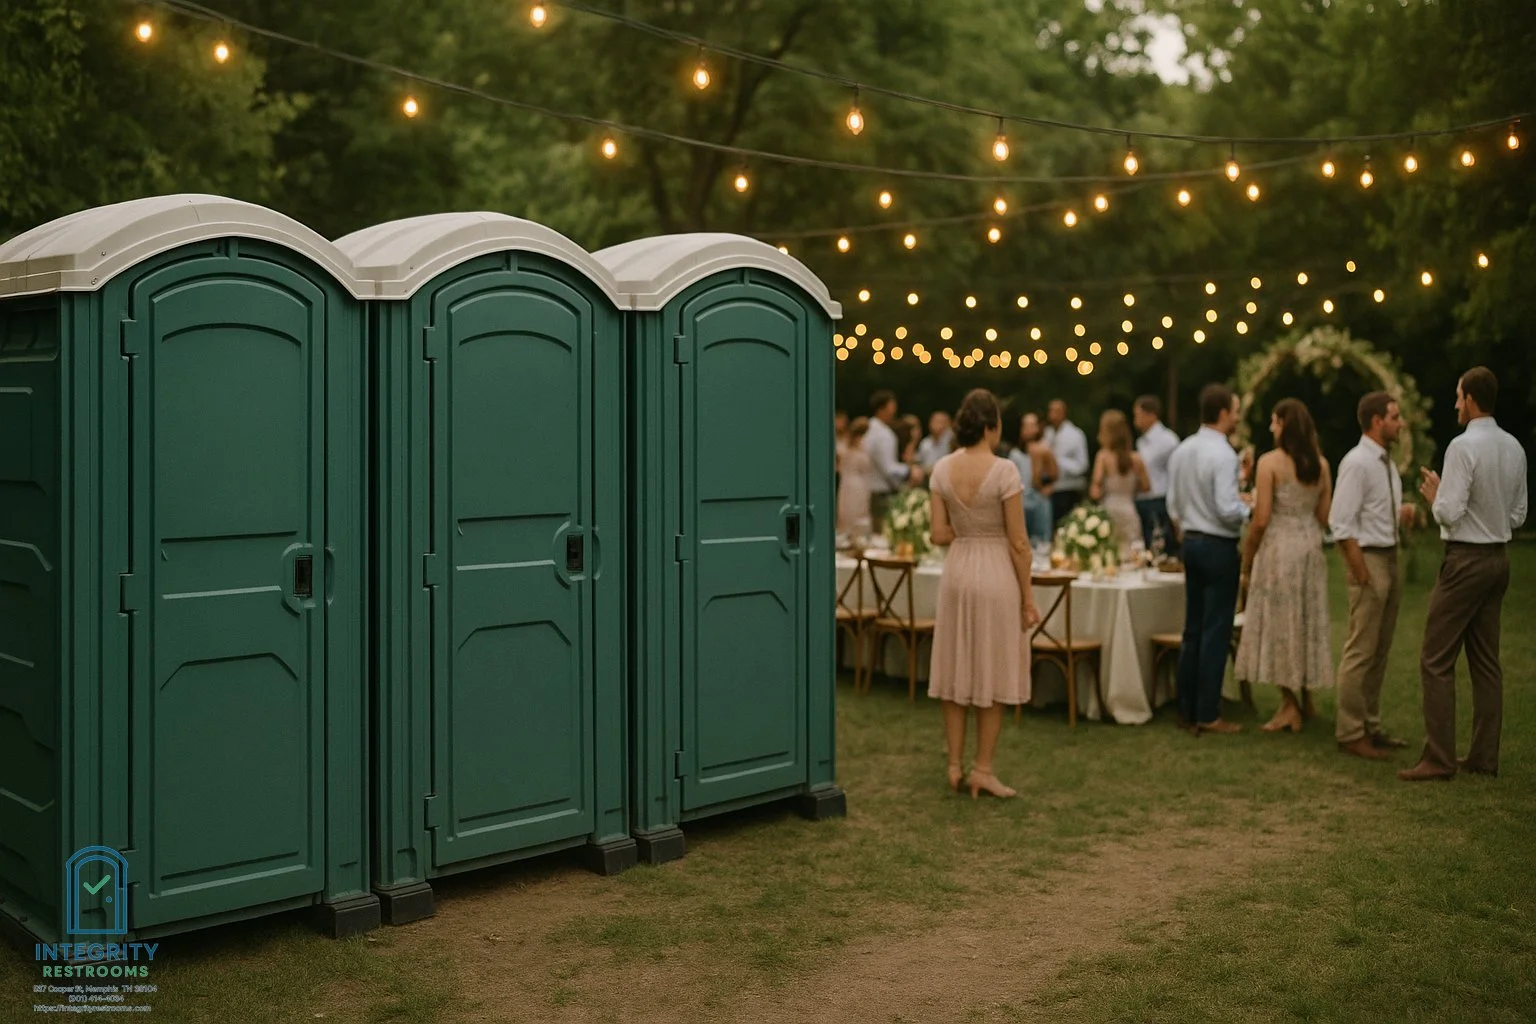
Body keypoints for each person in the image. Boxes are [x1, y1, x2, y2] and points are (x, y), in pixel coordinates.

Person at [1400, 367, 1528, 782]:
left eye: (1458, 397)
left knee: (1435, 658)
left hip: (1466, 561)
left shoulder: (1462, 446)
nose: (1455, 404)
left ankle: (1438, 759)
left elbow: (1450, 513)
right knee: (1487, 663)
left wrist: (1437, 496)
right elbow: (1518, 513)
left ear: (1471, 398)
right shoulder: (1514, 447)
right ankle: (1483, 759)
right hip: (1499, 560)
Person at [928, 389, 1040, 799]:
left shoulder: (941, 468)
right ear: (992, 426)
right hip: (995, 574)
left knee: (957, 666)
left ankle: (954, 766)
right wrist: (1028, 598)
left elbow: (938, 533)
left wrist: (968, 531)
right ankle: (984, 769)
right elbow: (1019, 544)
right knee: (993, 668)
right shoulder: (1006, 471)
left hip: (958, 571)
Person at [1234, 399, 1334, 734]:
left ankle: (1290, 705)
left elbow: (1261, 519)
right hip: (1310, 549)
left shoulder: (1269, 463)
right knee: (1304, 621)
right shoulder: (1320, 465)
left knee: (1280, 625)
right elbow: (1324, 517)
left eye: (1275, 422)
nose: (1271, 428)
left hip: (1278, 549)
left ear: (1284, 426)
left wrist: (1248, 557)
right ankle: (1305, 700)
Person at [1330, 391, 1417, 760]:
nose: (1401, 423)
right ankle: (1350, 732)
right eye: (1395, 417)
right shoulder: (1357, 463)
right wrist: (1362, 573)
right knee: (1361, 650)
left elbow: (1374, 513)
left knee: (1380, 650)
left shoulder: (1386, 464)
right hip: (1370, 562)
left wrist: (1403, 514)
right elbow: (1340, 524)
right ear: (1377, 421)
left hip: (1390, 558)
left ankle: (1371, 725)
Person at [1166, 384, 1251, 735]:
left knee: (1192, 629)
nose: (1237, 416)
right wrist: (1250, 508)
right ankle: (1207, 713)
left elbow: (1172, 504)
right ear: (1222, 413)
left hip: (1191, 543)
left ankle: (1186, 709)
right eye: (1234, 410)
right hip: (1217, 546)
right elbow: (1227, 509)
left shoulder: (1182, 450)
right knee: (1216, 630)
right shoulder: (1224, 455)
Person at [1089, 409, 1151, 557]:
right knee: (1131, 555)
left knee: (1110, 554)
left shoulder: (1103, 457)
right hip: (1129, 511)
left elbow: (1095, 491)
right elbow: (1146, 487)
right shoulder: (1136, 458)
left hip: (1109, 510)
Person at [864, 390, 923, 533]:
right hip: (882, 493)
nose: (894, 412)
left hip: (873, 491)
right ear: (881, 409)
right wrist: (910, 471)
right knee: (884, 535)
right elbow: (889, 468)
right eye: (891, 408)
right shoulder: (883, 434)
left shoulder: (870, 429)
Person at [1133, 396, 1180, 554]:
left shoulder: (1168, 440)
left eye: (1138, 415)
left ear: (1151, 415)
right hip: (1141, 499)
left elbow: (1175, 473)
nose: (1136, 420)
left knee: (1159, 545)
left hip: (1159, 499)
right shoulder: (1141, 442)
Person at [1008, 412, 1056, 546]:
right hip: (1021, 501)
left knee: (1042, 542)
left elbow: (1054, 474)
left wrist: (1049, 487)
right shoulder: (1015, 454)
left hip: (1039, 499)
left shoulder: (1045, 450)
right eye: (1027, 426)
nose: (1030, 430)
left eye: (1033, 425)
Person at [1044, 399, 1090, 525]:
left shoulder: (1076, 435)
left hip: (1069, 489)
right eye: (1050, 411)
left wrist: (1057, 460)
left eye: (1056, 411)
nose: (1052, 415)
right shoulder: (1046, 434)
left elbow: (1082, 465)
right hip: (1050, 490)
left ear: (1064, 413)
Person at [836, 418, 874, 541]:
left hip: (851, 483)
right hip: (853, 483)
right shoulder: (854, 447)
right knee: (851, 514)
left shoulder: (846, 446)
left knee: (855, 514)